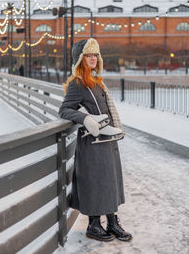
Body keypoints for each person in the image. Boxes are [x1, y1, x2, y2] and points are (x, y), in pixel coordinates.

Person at [59, 38, 132, 242]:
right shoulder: (77, 84)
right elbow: (64, 110)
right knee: (96, 182)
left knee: (109, 181)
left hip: (107, 140)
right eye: (89, 55)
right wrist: (85, 119)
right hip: (91, 143)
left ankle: (113, 222)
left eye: (96, 55)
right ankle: (93, 224)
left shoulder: (97, 81)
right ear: (80, 59)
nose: (93, 58)